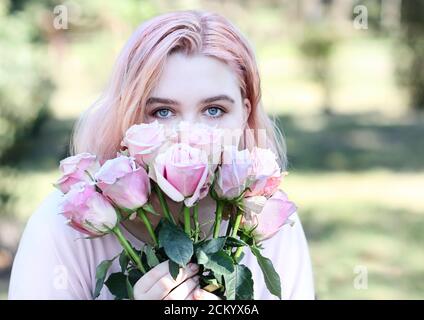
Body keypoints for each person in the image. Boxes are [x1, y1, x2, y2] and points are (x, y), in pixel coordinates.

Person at [8, 10, 315, 300]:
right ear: (128, 118)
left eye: (214, 110)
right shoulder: (70, 220)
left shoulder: (267, 219)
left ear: (244, 116)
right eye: (163, 112)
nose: (188, 136)